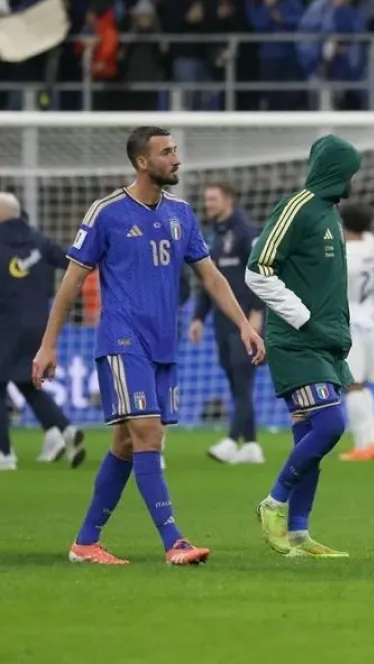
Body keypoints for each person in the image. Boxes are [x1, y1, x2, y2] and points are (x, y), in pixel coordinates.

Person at [32, 126, 265, 566]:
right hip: (123, 340)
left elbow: (210, 275)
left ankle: (85, 543)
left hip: (164, 344)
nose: (176, 159)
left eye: (175, 150)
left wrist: (242, 325)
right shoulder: (107, 212)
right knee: (148, 434)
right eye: (166, 152)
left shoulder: (181, 213)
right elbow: (70, 283)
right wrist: (49, 346)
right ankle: (174, 541)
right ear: (143, 162)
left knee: (124, 443)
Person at [247, 134, 361, 558]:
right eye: (350, 172)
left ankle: (298, 533)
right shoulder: (296, 207)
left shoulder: (330, 213)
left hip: (326, 344)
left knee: (309, 436)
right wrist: (304, 319)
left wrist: (333, 332)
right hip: (297, 342)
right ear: (335, 170)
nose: (353, 181)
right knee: (330, 426)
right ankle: (273, 504)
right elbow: (257, 270)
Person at [0, 192, 85, 470]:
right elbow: (71, 263)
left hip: (5, 324)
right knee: (28, 381)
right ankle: (64, 429)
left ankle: (4, 454)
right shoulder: (39, 240)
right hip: (39, 323)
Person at [189, 181, 266, 465]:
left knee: (243, 382)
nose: (207, 204)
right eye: (206, 199)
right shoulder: (213, 236)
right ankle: (253, 445)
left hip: (246, 320)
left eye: (213, 199)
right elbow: (209, 281)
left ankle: (233, 440)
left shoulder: (247, 232)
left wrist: (259, 312)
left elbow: (264, 272)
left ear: (229, 200)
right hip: (222, 323)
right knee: (236, 384)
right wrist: (198, 317)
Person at [338, 202, 374, 461]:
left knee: (352, 385)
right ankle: (371, 441)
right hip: (371, 320)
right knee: (361, 384)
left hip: (351, 321)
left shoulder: (346, 255)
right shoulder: (372, 245)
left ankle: (363, 445)